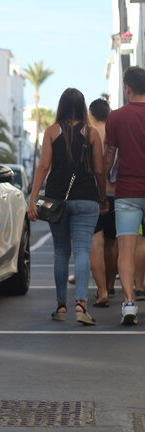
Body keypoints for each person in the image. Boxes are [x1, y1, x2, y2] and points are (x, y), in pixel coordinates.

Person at [27, 88, 106, 326]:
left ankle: (61, 306)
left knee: (61, 252)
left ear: (61, 106)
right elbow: (100, 171)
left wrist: (32, 199)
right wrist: (102, 198)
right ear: (82, 107)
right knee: (82, 250)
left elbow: (43, 167)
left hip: (56, 201)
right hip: (86, 199)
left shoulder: (52, 131)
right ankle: (81, 304)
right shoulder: (91, 133)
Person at [103, 66, 145, 325]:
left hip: (127, 192)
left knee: (126, 250)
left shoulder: (116, 117)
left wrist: (101, 183)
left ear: (127, 88)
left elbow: (109, 156)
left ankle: (129, 304)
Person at [86, 98, 118, 307]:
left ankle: (102, 289)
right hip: (116, 193)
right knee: (112, 241)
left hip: (93, 193)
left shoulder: (87, 133)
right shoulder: (115, 131)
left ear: (91, 113)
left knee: (95, 241)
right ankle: (110, 284)